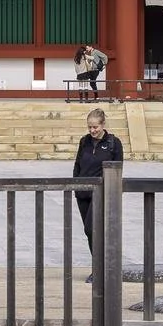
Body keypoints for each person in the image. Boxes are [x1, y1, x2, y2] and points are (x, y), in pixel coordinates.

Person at [72, 108, 123, 257]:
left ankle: (103, 263)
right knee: (89, 232)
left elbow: (117, 168)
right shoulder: (84, 141)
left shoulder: (114, 143)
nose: (92, 130)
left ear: (103, 125)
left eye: (95, 127)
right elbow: (78, 164)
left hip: (101, 193)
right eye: (89, 127)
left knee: (92, 228)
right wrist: (76, 184)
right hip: (82, 192)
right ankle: (97, 264)